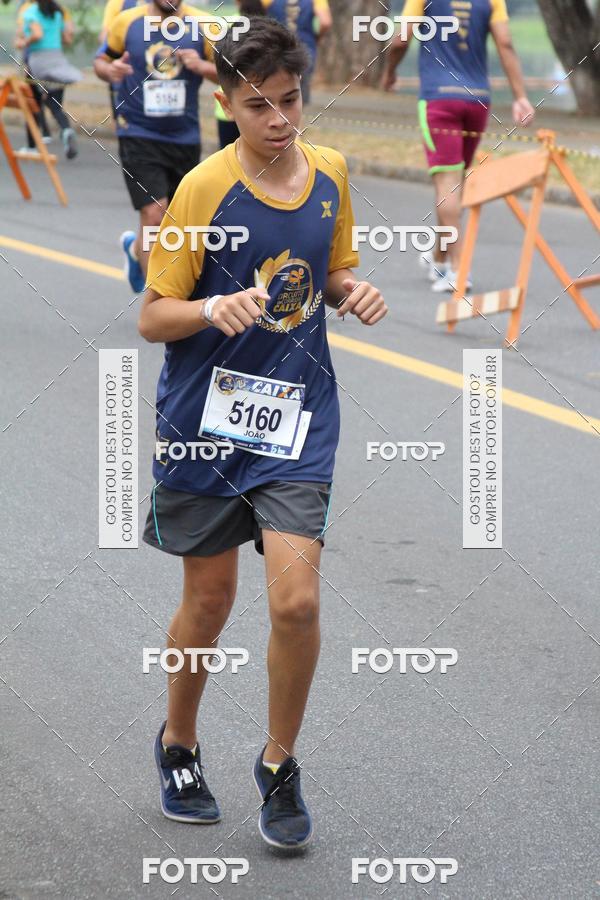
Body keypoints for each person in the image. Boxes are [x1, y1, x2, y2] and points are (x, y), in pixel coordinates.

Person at [138, 16, 387, 849]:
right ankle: (179, 744)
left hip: (298, 421)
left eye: (290, 101)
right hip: (205, 422)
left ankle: (279, 765)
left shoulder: (331, 172)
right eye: (258, 106)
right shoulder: (203, 189)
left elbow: (330, 267)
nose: (280, 120)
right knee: (209, 601)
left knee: (297, 599)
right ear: (226, 104)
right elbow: (153, 316)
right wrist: (211, 306)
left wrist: (351, 290)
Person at [381, 0, 535, 292]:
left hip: (439, 98)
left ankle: (458, 270)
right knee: (454, 182)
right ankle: (439, 258)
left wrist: (389, 72)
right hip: (477, 100)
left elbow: (401, 39)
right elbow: (505, 42)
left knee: (447, 182)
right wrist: (520, 96)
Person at [93, 0, 217, 292]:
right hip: (137, 131)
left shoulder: (203, 26)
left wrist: (201, 66)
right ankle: (158, 300)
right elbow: (101, 60)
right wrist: (109, 71)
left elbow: (231, 74)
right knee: (154, 212)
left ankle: (136, 250)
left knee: (175, 220)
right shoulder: (127, 21)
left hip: (184, 136)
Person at [15, 0, 81, 159]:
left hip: (38, 62)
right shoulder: (58, 12)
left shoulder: (30, 11)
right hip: (57, 61)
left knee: (33, 104)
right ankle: (66, 130)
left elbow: (37, 34)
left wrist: (24, 42)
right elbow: (67, 39)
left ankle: (32, 146)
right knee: (55, 104)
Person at [214, 0, 265, 149]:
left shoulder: (228, 24)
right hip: (261, 106)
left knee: (230, 157)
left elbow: (219, 63)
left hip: (228, 105)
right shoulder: (269, 27)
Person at [262, 0, 332, 104]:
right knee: (299, 88)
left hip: (275, 47)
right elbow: (325, 22)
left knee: (274, 86)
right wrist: (317, 37)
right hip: (305, 46)